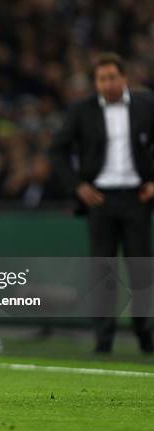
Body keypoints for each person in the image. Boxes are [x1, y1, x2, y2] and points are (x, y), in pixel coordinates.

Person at [51, 52, 154, 354]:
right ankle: (103, 339)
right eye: (102, 79)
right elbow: (57, 150)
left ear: (124, 78)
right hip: (100, 200)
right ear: (96, 83)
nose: (108, 84)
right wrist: (78, 187)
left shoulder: (146, 105)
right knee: (103, 272)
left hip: (137, 197)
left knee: (142, 272)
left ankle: (145, 334)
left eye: (112, 77)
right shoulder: (81, 111)